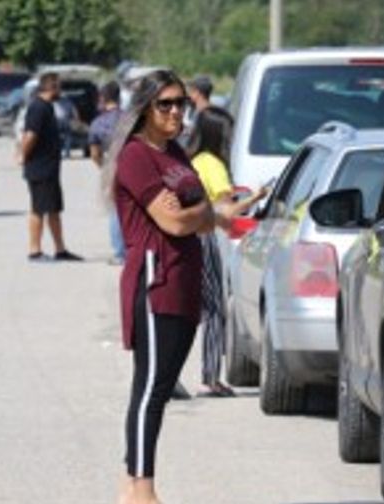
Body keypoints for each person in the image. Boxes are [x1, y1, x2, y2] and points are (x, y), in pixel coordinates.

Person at [108, 70, 220, 504]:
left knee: (162, 385)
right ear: (145, 108)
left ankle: (129, 486)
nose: (176, 112)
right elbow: (174, 220)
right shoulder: (137, 156)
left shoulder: (174, 152)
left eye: (181, 104)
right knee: (152, 389)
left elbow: (206, 211)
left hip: (185, 278)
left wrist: (196, 213)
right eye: (165, 104)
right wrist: (195, 214)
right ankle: (143, 490)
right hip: (156, 280)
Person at [189, 107, 268, 397]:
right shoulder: (214, 166)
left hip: (190, 236)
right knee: (213, 309)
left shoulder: (196, 160)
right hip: (205, 237)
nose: (233, 139)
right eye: (230, 133)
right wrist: (257, 198)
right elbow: (225, 212)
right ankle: (210, 378)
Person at [19, 72, 82, 262]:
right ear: (51, 87)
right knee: (38, 209)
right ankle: (34, 250)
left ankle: (60, 249)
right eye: (59, 87)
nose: (60, 91)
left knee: (54, 209)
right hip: (40, 167)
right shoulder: (38, 108)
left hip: (50, 167)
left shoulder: (47, 107)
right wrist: (23, 155)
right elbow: (30, 135)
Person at [88, 81, 126, 264]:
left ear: (103, 98)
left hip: (111, 165)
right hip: (134, 163)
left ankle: (120, 253)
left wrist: (104, 165)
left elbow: (94, 153)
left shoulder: (98, 123)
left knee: (114, 210)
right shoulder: (131, 118)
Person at [179, 75, 213, 150]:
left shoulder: (207, 115)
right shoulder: (194, 110)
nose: (189, 93)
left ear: (197, 93)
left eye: (191, 90)